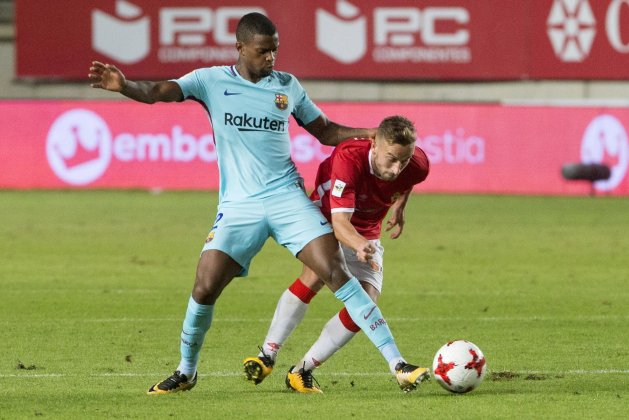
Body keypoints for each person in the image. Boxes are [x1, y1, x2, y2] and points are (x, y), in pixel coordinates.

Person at [89, 12, 428, 395]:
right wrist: (124, 85)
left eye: (275, 51)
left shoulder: (287, 86)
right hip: (239, 205)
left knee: (336, 273)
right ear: (240, 48)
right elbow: (158, 92)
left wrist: (365, 132)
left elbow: (325, 131)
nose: (271, 59)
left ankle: (397, 363)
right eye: (263, 51)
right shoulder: (210, 80)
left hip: (287, 197)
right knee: (205, 286)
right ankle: (186, 370)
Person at [243, 115, 430, 393]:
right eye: (391, 158)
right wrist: (356, 245)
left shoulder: (417, 165)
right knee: (316, 275)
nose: (397, 168)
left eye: (404, 160)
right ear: (374, 146)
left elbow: (408, 180)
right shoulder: (349, 158)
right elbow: (341, 224)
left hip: (367, 227)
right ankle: (268, 354)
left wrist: (401, 205)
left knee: (366, 301)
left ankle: (301, 370)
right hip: (326, 215)